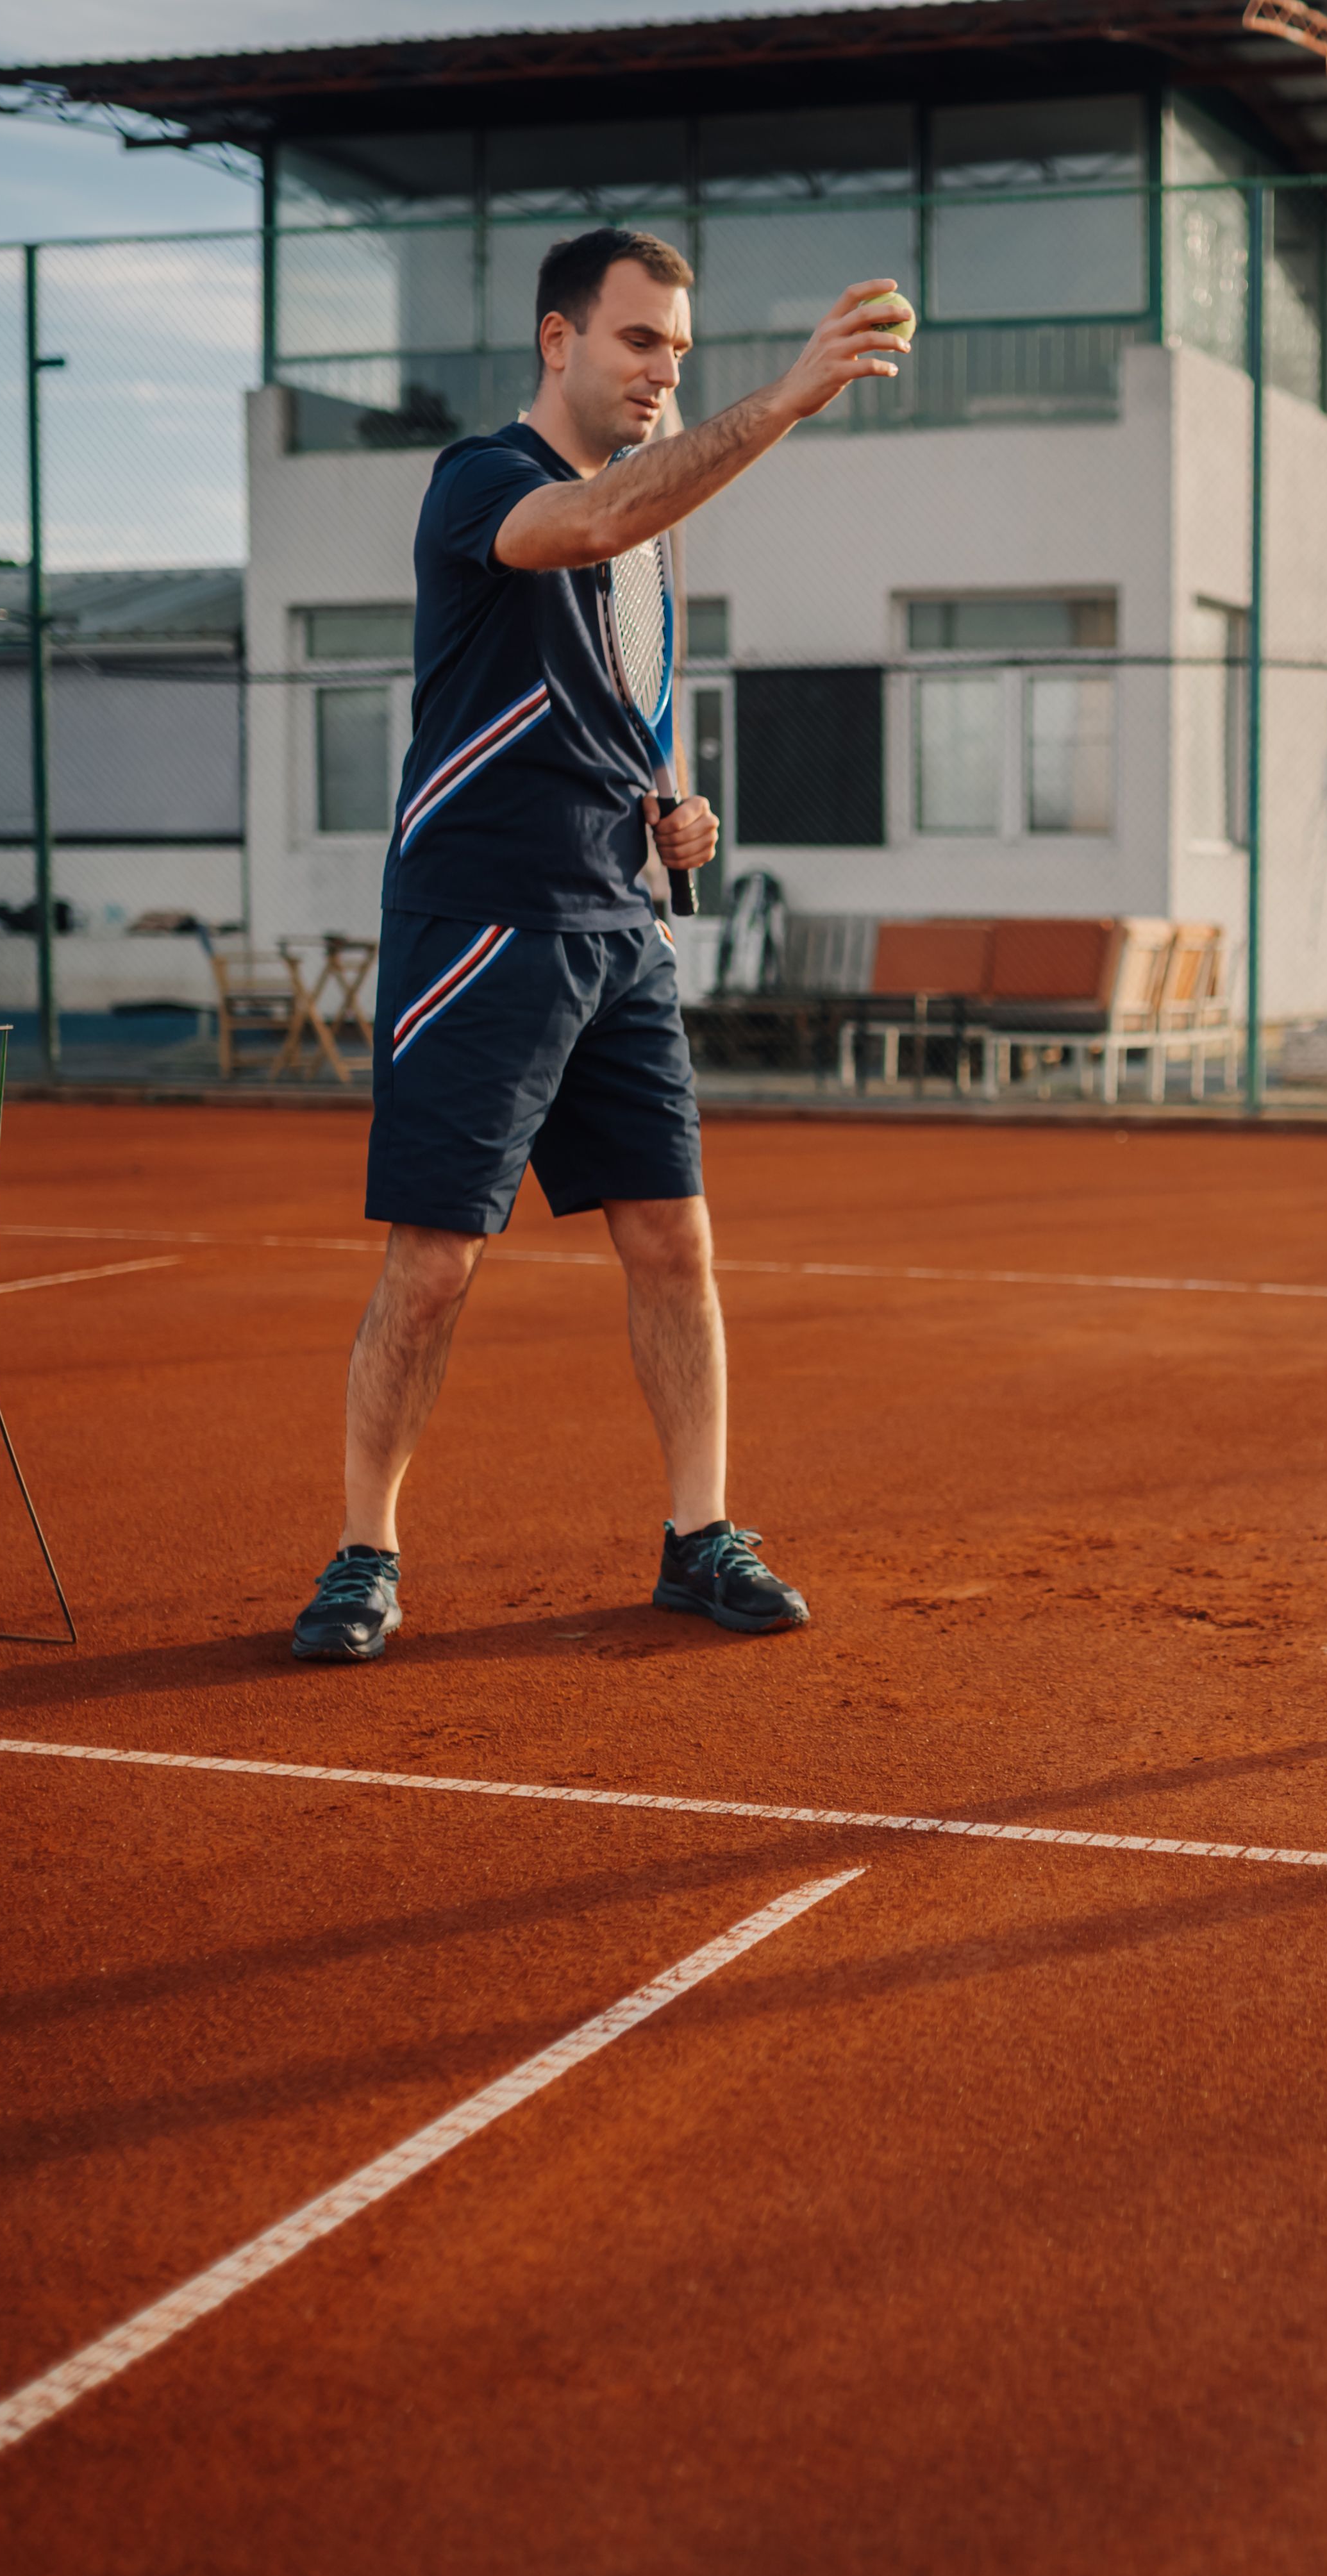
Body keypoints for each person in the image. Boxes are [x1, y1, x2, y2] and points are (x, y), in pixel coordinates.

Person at [290, 228, 907, 1662]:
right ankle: (362, 1555)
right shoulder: (480, 482)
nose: (665, 370)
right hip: (479, 923)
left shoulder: (653, 520)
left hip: (615, 924)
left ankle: (700, 1538)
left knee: (672, 1243)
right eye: (641, 341)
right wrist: (784, 401)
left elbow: (626, 694)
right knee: (436, 1263)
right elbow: (589, 528)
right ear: (559, 339)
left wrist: (674, 809)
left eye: (680, 351)